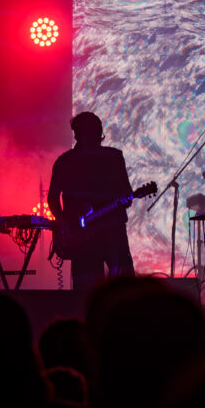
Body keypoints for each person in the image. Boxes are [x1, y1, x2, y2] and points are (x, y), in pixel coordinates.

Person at [48, 112, 135, 291]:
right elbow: (127, 195)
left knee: (86, 294)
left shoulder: (64, 161)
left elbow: (53, 198)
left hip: (88, 235)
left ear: (76, 134)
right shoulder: (113, 157)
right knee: (125, 290)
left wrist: (64, 225)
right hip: (110, 232)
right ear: (99, 133)